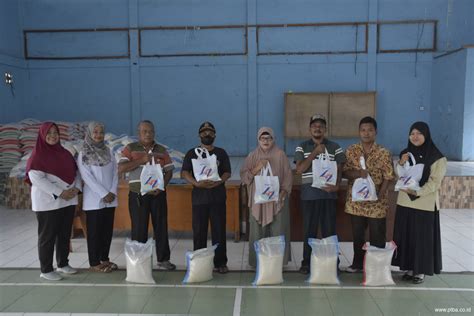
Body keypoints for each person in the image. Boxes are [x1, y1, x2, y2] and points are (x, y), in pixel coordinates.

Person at [392, 121, 446, 284]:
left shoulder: (437, 157)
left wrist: (417, 191)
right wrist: (400, 163)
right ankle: (408, 267)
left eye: (419, 133)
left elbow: (435, 183)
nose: (415, 137)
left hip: (424, 204)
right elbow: (399, 175)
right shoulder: (405, 153)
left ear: (426, 135)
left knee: (422, 239)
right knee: (407, 236)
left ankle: (420, 271)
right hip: (405, 203)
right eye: (412, 133)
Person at [26, 122, 81, 281]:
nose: (52, 136)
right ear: (42, 135)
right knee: (48, 236)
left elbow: (76, 172)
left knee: (64, 235)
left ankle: (63, 263)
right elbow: (36, 178)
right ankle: (46, 269)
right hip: (48, 203)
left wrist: (76, 188)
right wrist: (60, 192)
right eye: (48, 133)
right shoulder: (37, 155)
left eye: (55, 132)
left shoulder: (65, 153)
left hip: (68, 201)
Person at [118, 120, 176, 270]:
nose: (148, 134)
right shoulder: (130, 149)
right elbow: (121, 168)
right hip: (138, 195)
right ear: (138, 133)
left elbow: (169, 170)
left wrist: (162, 186)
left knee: (161, 227)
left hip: (158, 194)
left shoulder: (162, 150)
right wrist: (141, 160)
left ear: (154, 133)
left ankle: (163, 260)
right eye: (144, 131)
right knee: (139, 229)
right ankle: (139, 262)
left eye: (150, 131)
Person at [294, 114, 346, 274]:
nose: (317, 128)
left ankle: (332, 262)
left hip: (328, 195)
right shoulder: (301, 146)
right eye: (314, 125)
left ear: (325, 129)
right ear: (310, 129)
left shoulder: (335, 146)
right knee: (309, 230)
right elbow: (300, 169)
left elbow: (339, 168)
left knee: (329, 231)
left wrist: (337, 186)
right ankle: (306, 263)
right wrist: (315, 152)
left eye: (321, 126)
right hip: (309, 195)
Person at [342, 116, 394, 273]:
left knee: (377, 235)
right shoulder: (351, 151)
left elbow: (389, 176)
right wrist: (358, 173)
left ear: (376, 132)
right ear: (359, 132)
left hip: (377, 203)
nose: (366, 133)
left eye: (370, 130)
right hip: (356, 202)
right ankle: (357, 264)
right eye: (363, 130)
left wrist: (380, 194)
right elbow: (344, 172)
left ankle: (376, 267)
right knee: (358, 235)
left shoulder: (384, 152)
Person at [181, 122, 231, 273]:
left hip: (218, 197)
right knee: (199, 232)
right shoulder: (191, 153)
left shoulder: (221, 153)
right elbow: (184, 173)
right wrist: (196, 183)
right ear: (199, 135)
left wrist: (218, 182)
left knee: (219, 232)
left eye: (210, 132)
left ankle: (220, 263)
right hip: (199, 198)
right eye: (204, 132)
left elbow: (227, 172)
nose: (207, 135)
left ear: (215, 135)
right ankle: (199, 263)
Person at [240, 127, 293, 268]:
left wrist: (283, 192)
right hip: (258, 202)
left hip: (277, 200)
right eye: (262, 138)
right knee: (257, 233)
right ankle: (257, 262)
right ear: (258, 140)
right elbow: (244, 177)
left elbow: (288, 176)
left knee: (278, 231)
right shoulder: (252, 156)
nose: (266, 141)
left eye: (268, 138)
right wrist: (257, 168)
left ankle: (278, 263)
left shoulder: (280, 155)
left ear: (273, 139)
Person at [77, 122, 118, 273]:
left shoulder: (109, 151)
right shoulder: (84, 153)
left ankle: (104, 258)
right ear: (89, 133)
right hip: (94, 200)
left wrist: (112, 191)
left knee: (107, 231)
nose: (99, 135)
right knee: (94, 232)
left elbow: (115, 173)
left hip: (110, 199)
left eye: (101, 132)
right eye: (95, 132)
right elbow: (86, 177)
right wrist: (104, 193)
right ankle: (94, 262)